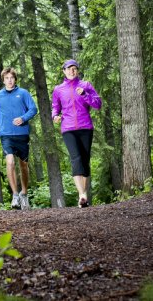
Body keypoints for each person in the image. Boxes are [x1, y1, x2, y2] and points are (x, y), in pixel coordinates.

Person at [51, 59, 102, 208]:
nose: (71, 71)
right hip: (68, 129)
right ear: (64, 71)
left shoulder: (85, 85)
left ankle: (83, 194)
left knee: (85, 160)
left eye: (74, 69)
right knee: (76, 158)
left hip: (85, 127)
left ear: (77, 70)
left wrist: (85, 94)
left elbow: (97, 104)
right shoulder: (58, 89)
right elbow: (55, 107)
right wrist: (55, 116)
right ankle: (82, 194)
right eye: (68, 69)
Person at [0, 67, 38, 210]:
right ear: (3, 80)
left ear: (15, 79)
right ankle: (15, 195)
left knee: (23, 166)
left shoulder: (23, 93)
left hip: (21, 134)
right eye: (6, 78)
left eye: (11, 78)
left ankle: (24, 194)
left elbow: (33, 109)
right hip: (6, 134)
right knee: (10, 162)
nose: (9, 80)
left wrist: (23, 118)